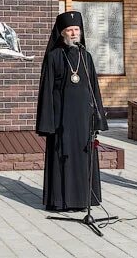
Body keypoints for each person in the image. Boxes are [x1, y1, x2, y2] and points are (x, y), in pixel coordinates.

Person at [36, 11, 107, 211]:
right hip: (62, 119)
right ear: (61, 33)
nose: (74, 33)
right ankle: (61, 201)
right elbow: (47, 90)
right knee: (62, 157)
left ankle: (84, 200)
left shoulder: (86, 56)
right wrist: (47, 122)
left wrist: (97, 118)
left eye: (77, 29)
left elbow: (94, 88)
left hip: (83, 119)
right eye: (70, 30)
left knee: (84, 158)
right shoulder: (54, 57)